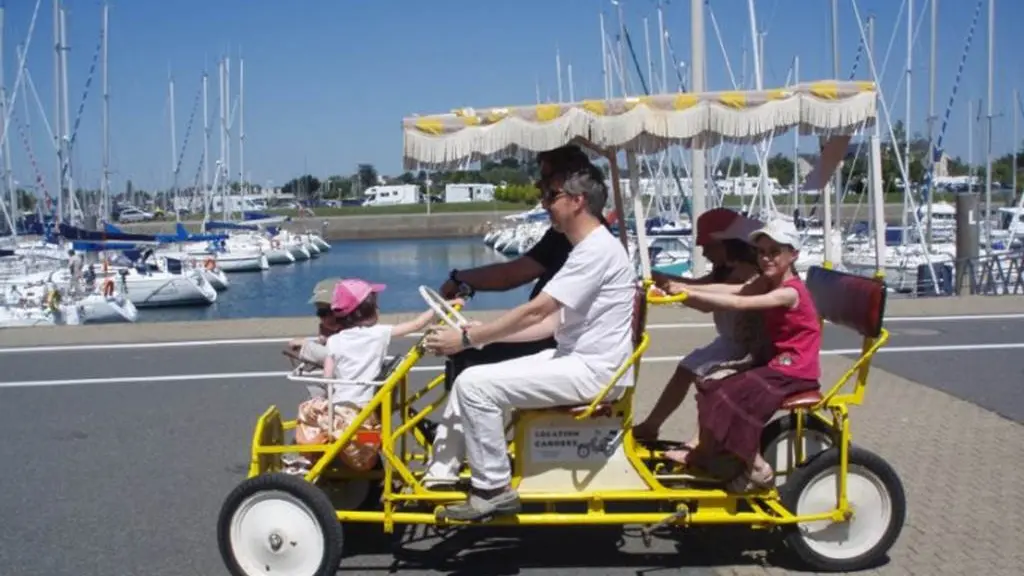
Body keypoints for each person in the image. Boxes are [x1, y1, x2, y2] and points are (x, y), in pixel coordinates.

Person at [422, 160, 636, 521]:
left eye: (552, 195)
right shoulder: (587, 247)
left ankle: (493, 488)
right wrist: (482, 337)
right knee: (469, 379)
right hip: (576, 358)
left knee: (475, 386)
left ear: (578, 201)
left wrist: (467, 338)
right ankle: (444, 472)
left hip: (592, 370)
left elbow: (538, 311)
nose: (544, 203)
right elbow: (550, 321)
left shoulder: (595, 250)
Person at [657, 218, 822, 492]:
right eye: (761, 252)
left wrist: (684, 289)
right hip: (776, 362)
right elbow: (735, 289)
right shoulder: (769, 282)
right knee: (710, 383)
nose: (766, 258)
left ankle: (757, 467)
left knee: (731, 395)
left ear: (793, 254)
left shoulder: (789, 292)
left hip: (794, 370)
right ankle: (706, 451)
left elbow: (740, 302)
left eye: (774, 251)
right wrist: (683, 287)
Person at [438, 144, 608, 388]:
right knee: (468, 352)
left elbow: (532, 303)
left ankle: (464, 425)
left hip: (561, 344)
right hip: (555, 335)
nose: (542, 194)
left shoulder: (587, 247)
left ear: (573, 190)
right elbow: (516, 277)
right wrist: (463, 282)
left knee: (468, 365)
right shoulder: (570, 237)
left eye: (549, 186)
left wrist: (473, 337)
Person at [287, 278, 461, 475]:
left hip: (342, 414)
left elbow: (329, 379)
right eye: (376, 306)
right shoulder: (379, 334)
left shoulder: (334, 341)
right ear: (368, 311)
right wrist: (442, 305)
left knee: (309, 409)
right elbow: (416, 324)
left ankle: (306, 457)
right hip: (366, 412)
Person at [632, 209, 763, 444]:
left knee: (705, 379)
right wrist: (668, 282)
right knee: (685, 370)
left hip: (745, 347)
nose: (703, 252)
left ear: (725, 244)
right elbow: (700, 288)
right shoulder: (728, 269)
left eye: (707, 246)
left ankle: (699, 441)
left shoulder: (746, 272)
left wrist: (678, 288)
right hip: (729, 341)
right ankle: (652, 426)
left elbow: (706, 301)